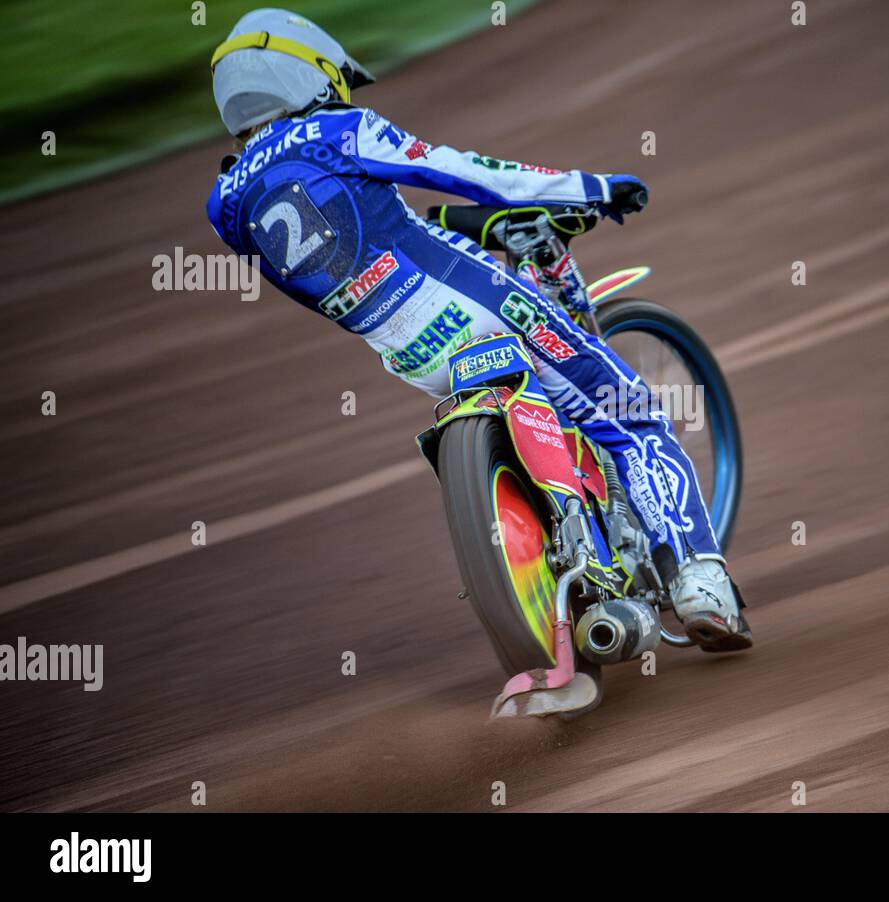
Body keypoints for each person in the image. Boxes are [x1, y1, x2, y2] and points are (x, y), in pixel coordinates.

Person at [205, 9, 751, 651]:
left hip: (409, 354)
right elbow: (464, 171)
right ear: (308, 76)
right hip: (487, 308)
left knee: (550, 395)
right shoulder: (336, 130)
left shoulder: (224, 204)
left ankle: (563, 542)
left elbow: (350, 244)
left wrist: (456, 234)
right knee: (633, 417)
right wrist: (589, 186)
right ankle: (699, 583)